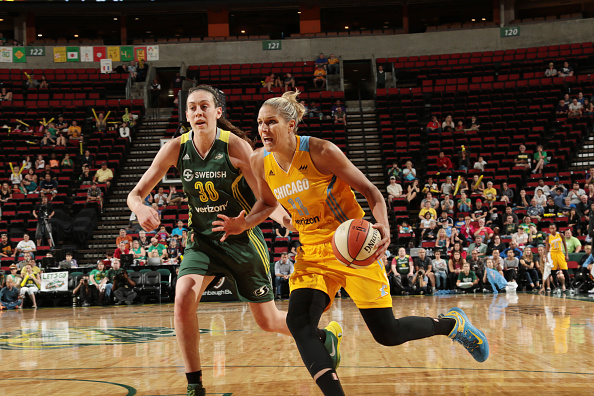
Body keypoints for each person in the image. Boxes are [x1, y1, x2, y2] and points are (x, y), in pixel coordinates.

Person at [215, 91, 489, 395]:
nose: (263, 130)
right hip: (312, 253)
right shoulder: (259, 159)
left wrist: (383, 226)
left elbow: (372, 192)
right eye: (260, 123)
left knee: (387, 333)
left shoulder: (321, 151)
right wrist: (244, 222)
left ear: (291, 124)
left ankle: (453, 326)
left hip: (352, 247)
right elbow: (266, 204)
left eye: (271, 122)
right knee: (299, 324)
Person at [126, 85, 337, 396]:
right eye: (192, 107)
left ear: (218, 113)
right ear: (186, 115)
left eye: (204, 106)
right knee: (183, 296)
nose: (198, 112)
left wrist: (288, 221)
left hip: (241, 241)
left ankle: (322, 337)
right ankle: (194, 384)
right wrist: (140, 207)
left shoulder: (237, 147)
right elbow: (134, 194)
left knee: (267, 322)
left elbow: (266, 199)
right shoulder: (174, 149)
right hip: (203, 242)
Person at [546, 223, 570, 293]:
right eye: (550, 228)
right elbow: (546, 249)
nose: (552, 230)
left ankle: (569, 286)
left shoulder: (561, 235)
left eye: (553, 228)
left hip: (560, 253)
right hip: (552, 254)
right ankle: (557, 287)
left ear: (555, 228)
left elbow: (565, 245)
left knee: (565, 270)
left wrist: (567, 255)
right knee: (553, 272)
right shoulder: (548, 237)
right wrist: (547, 258)